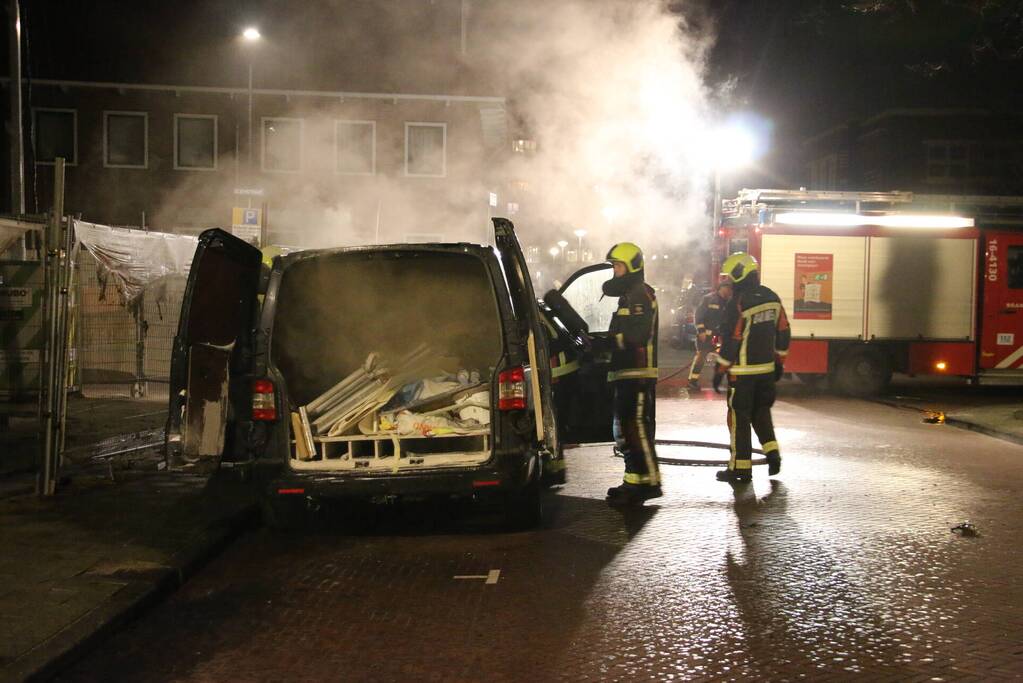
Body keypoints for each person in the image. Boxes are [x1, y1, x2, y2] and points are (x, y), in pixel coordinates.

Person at [593, 242, 662, 505]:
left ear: (632, 265)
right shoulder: (630, 294)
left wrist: (607, 343)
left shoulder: (640, 295)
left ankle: (649, 483)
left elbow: (636, 335)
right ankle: (633, 482)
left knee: (636, 428)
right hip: (626, 372)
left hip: (638, 372)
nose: (615, 271)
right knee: (627, 429)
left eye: (618, 266)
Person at [713, 253, 790, 483]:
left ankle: (740, 468)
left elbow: (732, 342)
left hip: (742, 375)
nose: (728, 283)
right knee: (762, 413)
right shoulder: (772, 297)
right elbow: (784, 332)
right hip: (766, 372)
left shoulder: (737, 303)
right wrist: (779, 362)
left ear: (739, 274)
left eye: (730, 278)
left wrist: (719, 371)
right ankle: (773, 453)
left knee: (740, 419)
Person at [687, 278, 733, 390]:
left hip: (722, 336)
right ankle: (693, 381)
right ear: (722, 288)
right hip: (706, 336)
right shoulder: (709, 299)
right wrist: (701, 332)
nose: (730, 291)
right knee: (701, 358)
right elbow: (698, 316)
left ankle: (732, 381)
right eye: (728, 288)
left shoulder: (730, 302)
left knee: (728, 357)